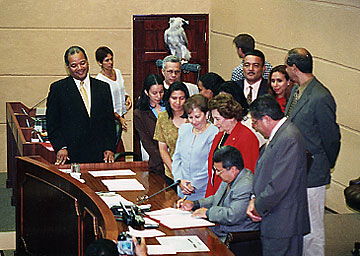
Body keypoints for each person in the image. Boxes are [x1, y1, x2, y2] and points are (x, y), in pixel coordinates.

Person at [284, 48, 341, 256]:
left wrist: (325, 164)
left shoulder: (320, 96)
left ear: (294, 68)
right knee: (299, 225)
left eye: (288, 67)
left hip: (313, 171)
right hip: (296, 169)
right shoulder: (297, 91)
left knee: (313, 230)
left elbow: (331, 137)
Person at [246, 95, 310, 256]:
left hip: (283, 222)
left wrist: (258, 207)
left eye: (255, 122)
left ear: (266, 119)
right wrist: (254, 198)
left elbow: (279, 184)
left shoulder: (289, 138)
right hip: (276, 217)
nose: (255, 127)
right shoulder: (280, 135)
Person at [46, 46, 116, 164]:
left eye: (82, 63)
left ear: (88, 62)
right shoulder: (58, 89)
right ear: (67, 67)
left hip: (99, 156)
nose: (80, 68)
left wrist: (109, 147)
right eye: (74, 65)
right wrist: (61, 147)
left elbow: (109, 122)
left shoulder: (103, 88)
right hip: (70, 156)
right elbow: (53, 124)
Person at [178, 146, 259, 242]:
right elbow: (216, 199)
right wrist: (194, 204)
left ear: (233, 169)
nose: (216, 174)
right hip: (221, 229)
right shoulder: (230, 176)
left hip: (236, 236)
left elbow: (232, 215)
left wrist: (207, 213)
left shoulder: (245, 185)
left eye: (218, 170)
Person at [205, 93, 259, 197]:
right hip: (216, 195)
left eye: (217, 119)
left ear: (230, 116)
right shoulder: (220, 135)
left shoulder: (247, 137)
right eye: (213, 119)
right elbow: (212, 171)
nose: (215, 123)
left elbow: (248, 175)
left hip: (234, 197)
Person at [172, 94, 218, 200]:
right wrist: (179, 180)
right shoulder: (184, 129)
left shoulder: (214, 132)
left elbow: (210, 163)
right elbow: (177, 157)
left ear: (207, 114)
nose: (193, 121)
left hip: (202, 190)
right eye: (190, 117)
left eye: (197, 117)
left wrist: (194, 184)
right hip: (182, 188)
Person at [153, 82, 190, 184]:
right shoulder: (163, 117)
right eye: (174, 98)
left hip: (191, 174)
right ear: (168, 99)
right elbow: (163, 149)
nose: (177, 102)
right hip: (171, 173)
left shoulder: (193, 118)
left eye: (181, 98)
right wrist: (175, 172)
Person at [95, 46, 131, 145]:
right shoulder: (100, 80)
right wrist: (119, 118)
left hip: (120, 115)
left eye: (111, 59)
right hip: (110, 118)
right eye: (107, 60)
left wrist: (127, 97)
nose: (110, 62)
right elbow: (104, 106)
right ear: (100, 62)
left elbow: (121, 89)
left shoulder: (118, 72)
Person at [134, 74, 165, 175]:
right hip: (157, 161)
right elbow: (146, 141)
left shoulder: (170, 106)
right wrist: (164, 160)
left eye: (161, 92)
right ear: (146, 92)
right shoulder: (140, 113)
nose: (158, 96)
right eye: (154, 93)